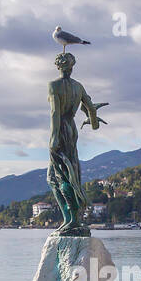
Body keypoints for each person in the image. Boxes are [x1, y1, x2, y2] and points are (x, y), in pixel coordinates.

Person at [47, 52, 105, 236]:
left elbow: (55, 113)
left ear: (58, 67)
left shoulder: (53, 85)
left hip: (61, 129)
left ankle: (71, 219)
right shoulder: (78, 87)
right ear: (72, 67)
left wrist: (54, 138)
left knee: (57, 177)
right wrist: (93, 120)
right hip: (72, 130)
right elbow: (92, 116)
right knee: (70, 173)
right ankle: (72, 218)